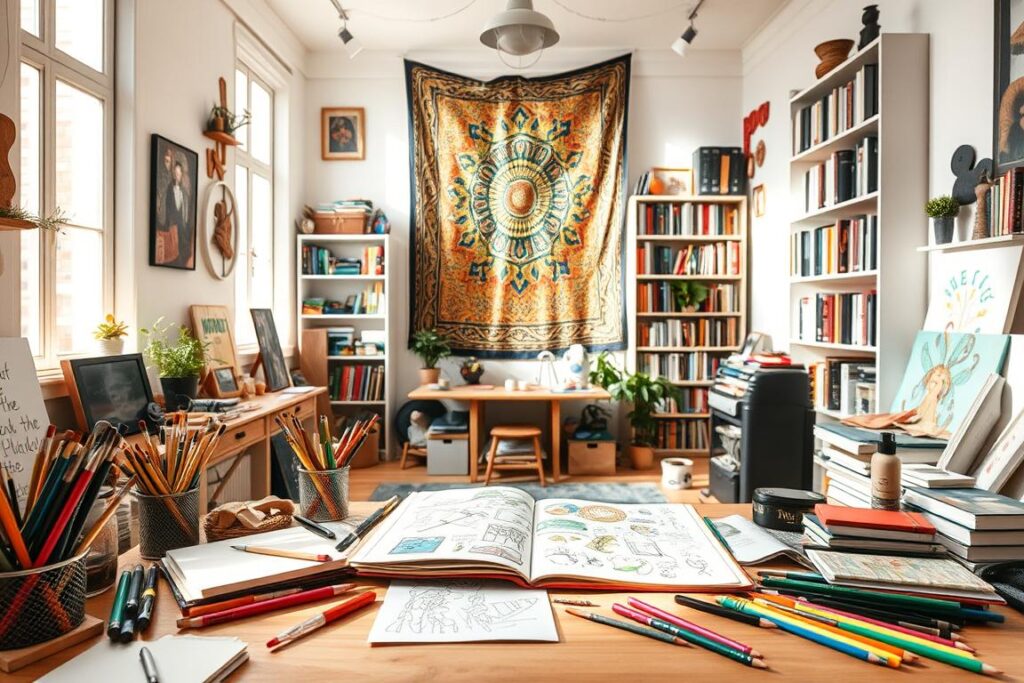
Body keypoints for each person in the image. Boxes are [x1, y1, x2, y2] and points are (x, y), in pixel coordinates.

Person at [164, 161, 193, 268]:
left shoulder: (184, 192)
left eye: (179, 174)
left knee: (182, 246)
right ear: (173, 174)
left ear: (181, 175)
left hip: (182, 225)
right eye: (176, 173)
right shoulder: (169, 189)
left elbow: (185, 210)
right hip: (172, 223)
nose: (177, 176)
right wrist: (169, 223)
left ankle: (182, 258)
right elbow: (167, 208)